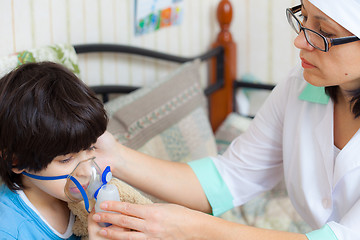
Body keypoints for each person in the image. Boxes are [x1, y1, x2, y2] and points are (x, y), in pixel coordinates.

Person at [89, 0, 360, 239]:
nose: (300, 40)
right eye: (304, 17)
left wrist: (196, 229)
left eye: (324, 33)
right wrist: (116, 157)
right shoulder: (301, 87)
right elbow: (229, 177)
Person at [0, 62, 109, 239]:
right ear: (16, 160)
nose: (87, 172)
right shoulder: (9, 231)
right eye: (66, 159)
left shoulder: (89, 199)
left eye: (90, 148)